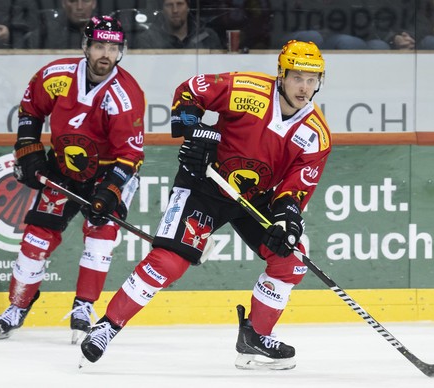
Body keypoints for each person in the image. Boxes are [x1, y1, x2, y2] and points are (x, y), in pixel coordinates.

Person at [79, 40, 332, 371]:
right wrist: (193, 132)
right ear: (281, 75)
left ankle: (255, 336)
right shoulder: (246, 89)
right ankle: (107, 327)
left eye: (312, 79)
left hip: (254, 197)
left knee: (291, 256)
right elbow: (191, 91)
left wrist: (287, 222)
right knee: (169, 262)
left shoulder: (316, 134)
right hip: (205, 184)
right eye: (297, 77)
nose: (304, 87)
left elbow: (296, 187)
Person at [0, 15, 146, 344]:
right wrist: (29, 152)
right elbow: (31, 110)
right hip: (64, 167)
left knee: (100, 237)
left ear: (122, 52)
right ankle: (17, 307)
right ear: (85, 46)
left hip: (107, 171)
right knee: (36, 238)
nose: (105, 54)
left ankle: (84, 307)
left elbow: (129, 156)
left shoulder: (125, 96)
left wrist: (111, 192)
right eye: (99, 45)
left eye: (113, 48)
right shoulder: (55, 76)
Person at [133, 0, 222, 49]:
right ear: (163, 10)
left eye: (179, 4)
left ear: (188, 7)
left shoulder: (208, 36)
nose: (175, 10)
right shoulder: (148, 39)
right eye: (169, 5)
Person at [367, 0, 434, 50]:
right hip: (381, 38)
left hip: (412, 37)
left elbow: (425, 20)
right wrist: (393, 38)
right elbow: (368, 22)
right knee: (379, 47)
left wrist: (409, 38)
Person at [24, 0, 97, 48]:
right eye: (72, 1)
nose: (79, 7)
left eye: (86, 1)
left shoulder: (105, 32)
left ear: (94, 3)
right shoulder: (45, 34)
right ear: (63, 3)